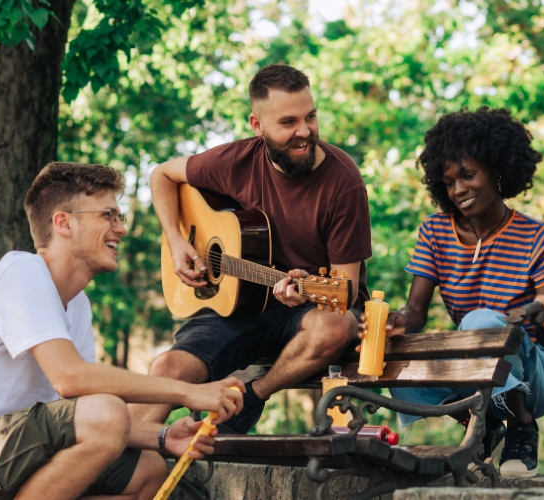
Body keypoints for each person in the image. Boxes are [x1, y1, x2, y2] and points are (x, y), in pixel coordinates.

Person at [0, 162, 245, 500]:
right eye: (108, 215)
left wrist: (163, 436)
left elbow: (82, 415)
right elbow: (72, 381)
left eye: (119, 217)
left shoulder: (77, 305)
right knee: (104, 412)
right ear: (63, 222)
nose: (120, 228)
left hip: (1, 460)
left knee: (147, 470)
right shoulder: (21, 273)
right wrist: (187, 393)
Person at [134, 64, 371, 434]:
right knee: (167, 369)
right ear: (257, 126)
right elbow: (161, 174)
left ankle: (251, 397)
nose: (305, 132)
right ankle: (126, 455)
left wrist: (303, 289)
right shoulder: (235, 162)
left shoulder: (344, 183)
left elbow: (346, 289)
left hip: (309, 309)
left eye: (311, 117)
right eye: (288, 122)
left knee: (336, 326)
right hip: (241, 306)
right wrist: (177, 242)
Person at [361, 107, 544, 478]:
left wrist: (543, 311)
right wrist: (394, 322)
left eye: (468, 175)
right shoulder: (434, 232)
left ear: (499, 169)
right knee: (394, 355)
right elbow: (415, 312)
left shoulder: (538, 237)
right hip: (474, 371)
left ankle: (521, 425)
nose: (458, 189)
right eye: (448, 182)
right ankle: (483, 421)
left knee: (479, 319)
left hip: (537, 375)